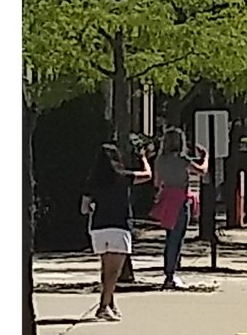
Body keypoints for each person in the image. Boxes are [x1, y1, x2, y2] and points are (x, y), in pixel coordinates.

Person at [81, 142, 151, 320]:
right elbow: (147, 175)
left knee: (106, 269)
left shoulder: (92, 181)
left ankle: (110, 303)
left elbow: (84, 208)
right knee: (114, 272)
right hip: (119, 226)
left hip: (98, 228)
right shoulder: (123, 177)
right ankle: (103, 306)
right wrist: (144, 158)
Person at [150, 128, 208, 289]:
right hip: (180, 199)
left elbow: (156, 182)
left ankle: (170, 271)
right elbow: (202, 171)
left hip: (166, 199)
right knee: (177, 238)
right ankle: (171, 274)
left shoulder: (159, 160)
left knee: (170, 237)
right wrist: (206, 157)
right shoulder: (182, 159)